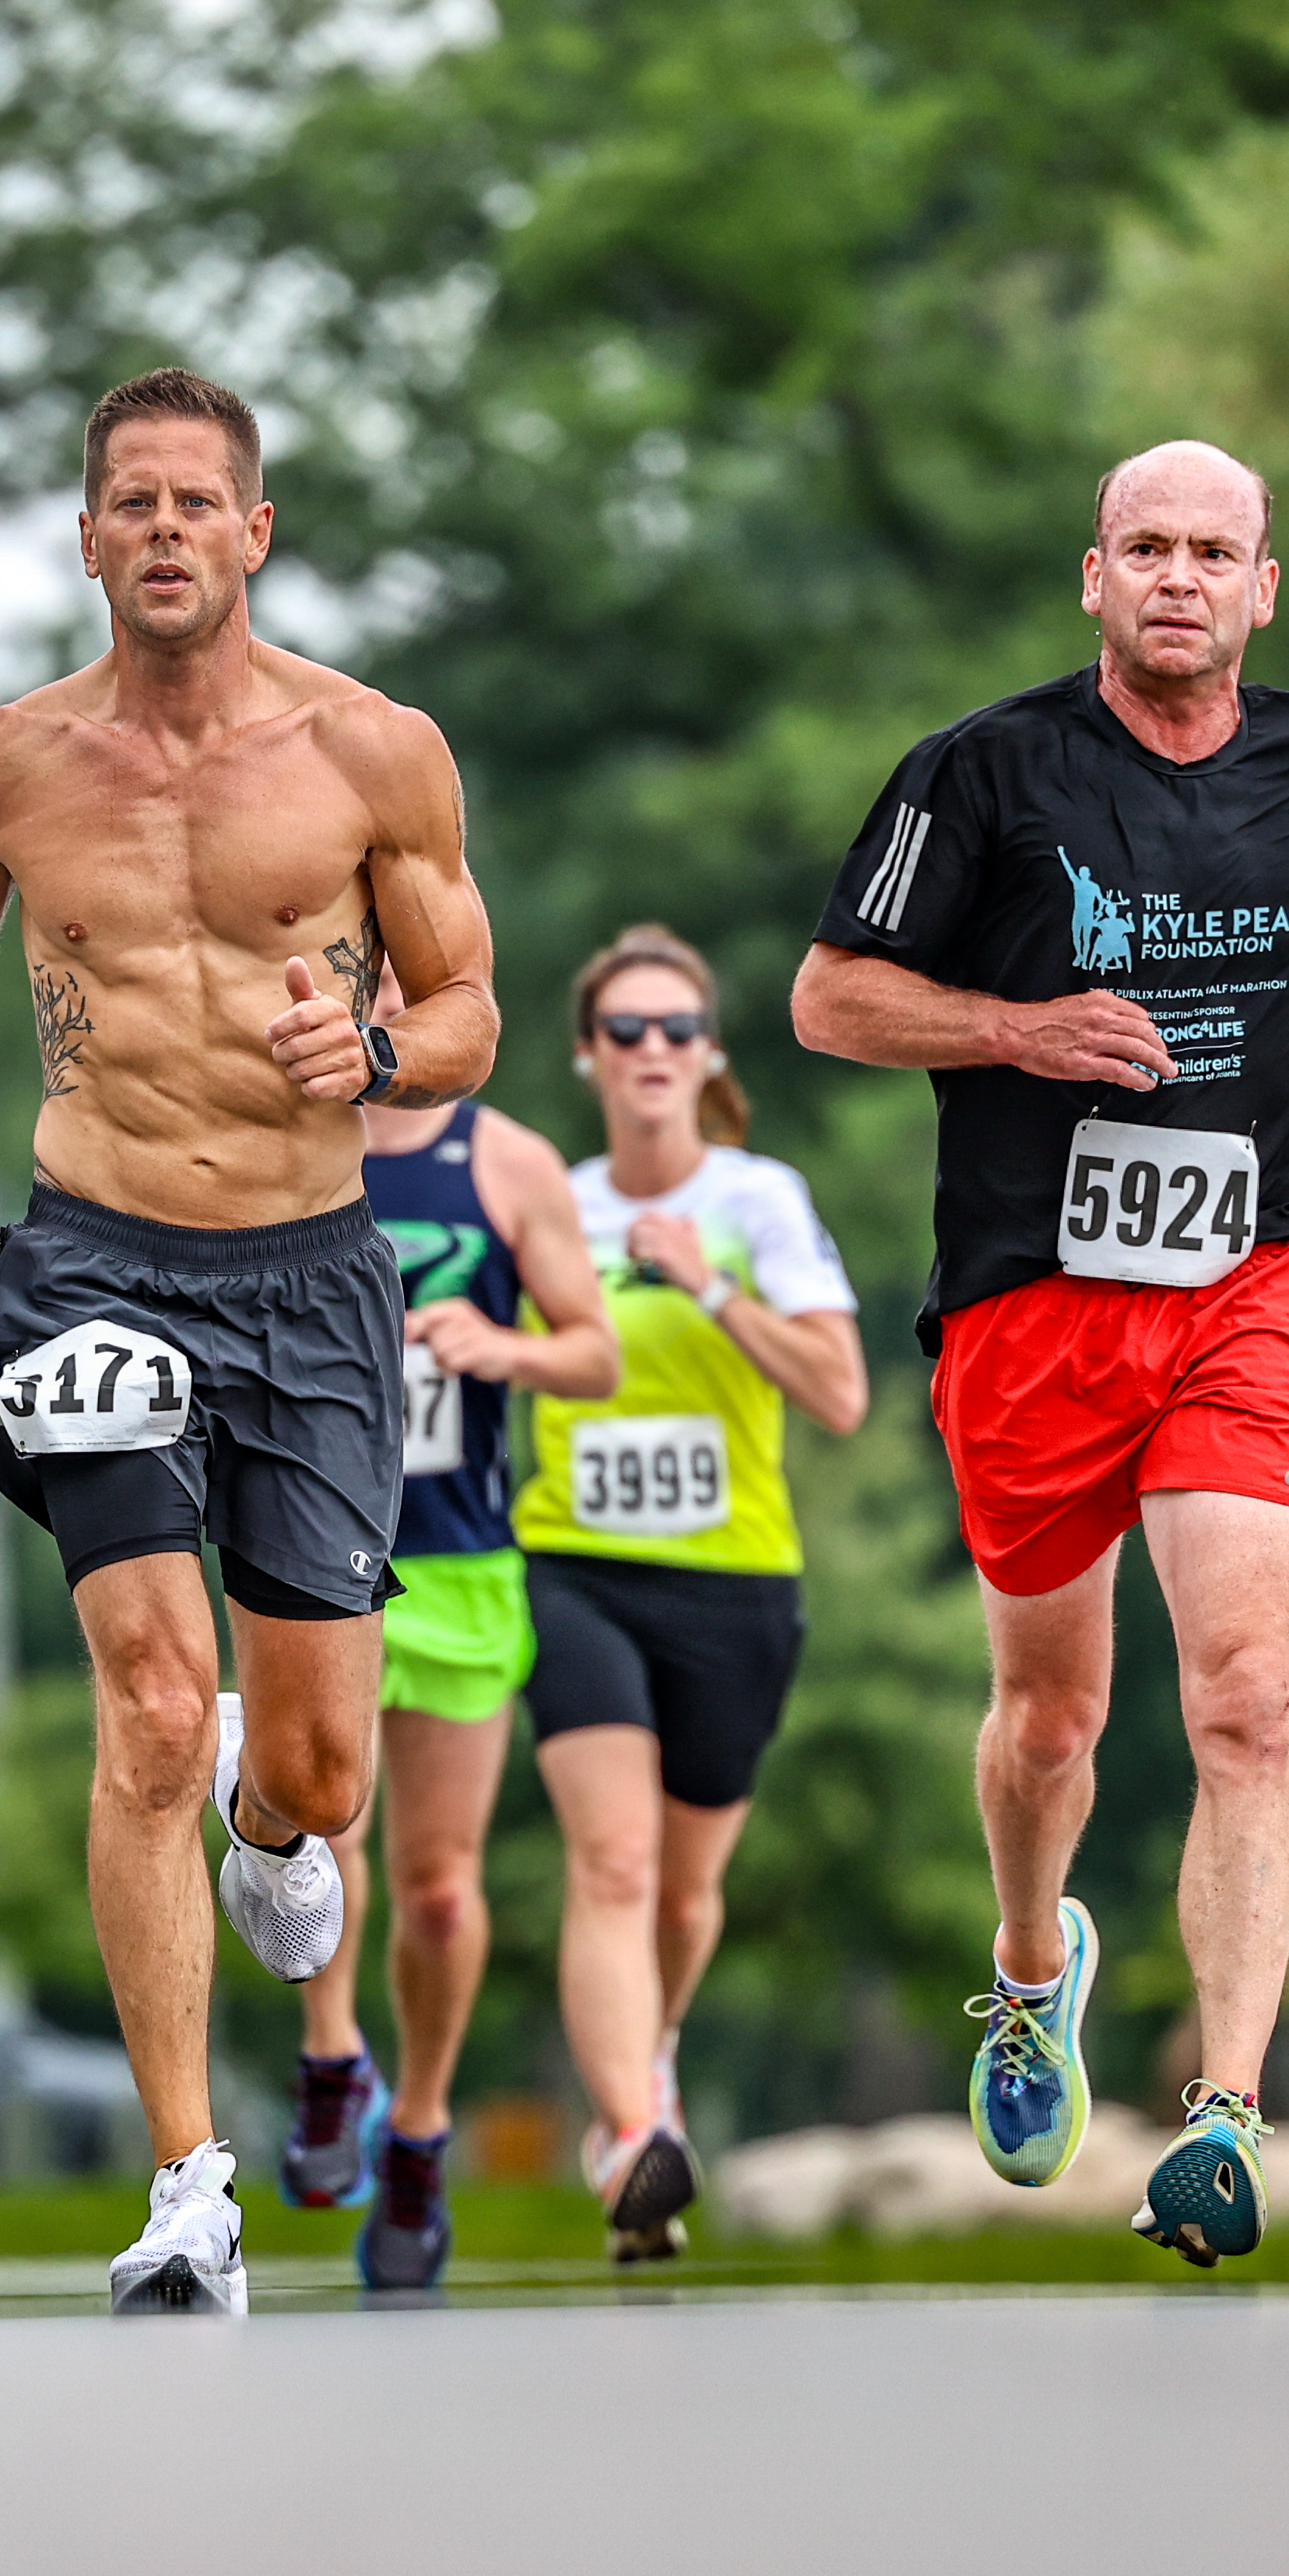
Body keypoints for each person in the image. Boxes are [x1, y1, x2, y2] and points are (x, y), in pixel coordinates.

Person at [793, 438, 1289, 2269]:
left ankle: (1221, 2116)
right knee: (1052, 1720)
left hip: (1257, 1272)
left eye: (1213, 548)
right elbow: (830, 996)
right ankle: (1032, 1962)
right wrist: (1015, 1029)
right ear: (1093, 577)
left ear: (1262, 586)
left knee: (1243, 1697)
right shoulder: (981, 774)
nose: (1179, 574)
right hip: (1034, 1298)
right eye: (1146, 546)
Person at [0, 367, 501, 2316]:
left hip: (313, 1272)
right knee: (149, 1701)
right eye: (126, 503)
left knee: (315, 1766)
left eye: (194, 502)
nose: (161, 530)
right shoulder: (0, 763)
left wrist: (384, 1048)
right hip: (89, 1261)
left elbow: (470, 998)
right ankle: (186, 2185)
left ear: (254, 532)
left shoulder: (373, 751)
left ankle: (269, 1820)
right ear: (87, 541)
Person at [512, 928, 869, 2263]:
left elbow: (839, 1395)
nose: (652, 1051)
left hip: (735, 1584)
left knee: (682, 1895)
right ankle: (630, 2130)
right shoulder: (547, 1195)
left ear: (708, 1054)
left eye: (677, 1029)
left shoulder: (759, 1199)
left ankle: (648, 2055)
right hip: (573, 1566)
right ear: (589, 1057)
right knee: (611, 1861)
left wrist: (705, 1283)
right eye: (626, 1031)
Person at [275, 970, 616, 2290]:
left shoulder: (509, 1161)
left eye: (423, 974)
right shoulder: (292, 1136)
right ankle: (327, 2054)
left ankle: (416, 2127)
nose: (395, 993)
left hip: (466, 1559)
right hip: (315, 1542)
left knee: (437, 1884)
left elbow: (594, 1353)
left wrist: (499, 1345)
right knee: (316, 1820)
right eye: (374, 966)